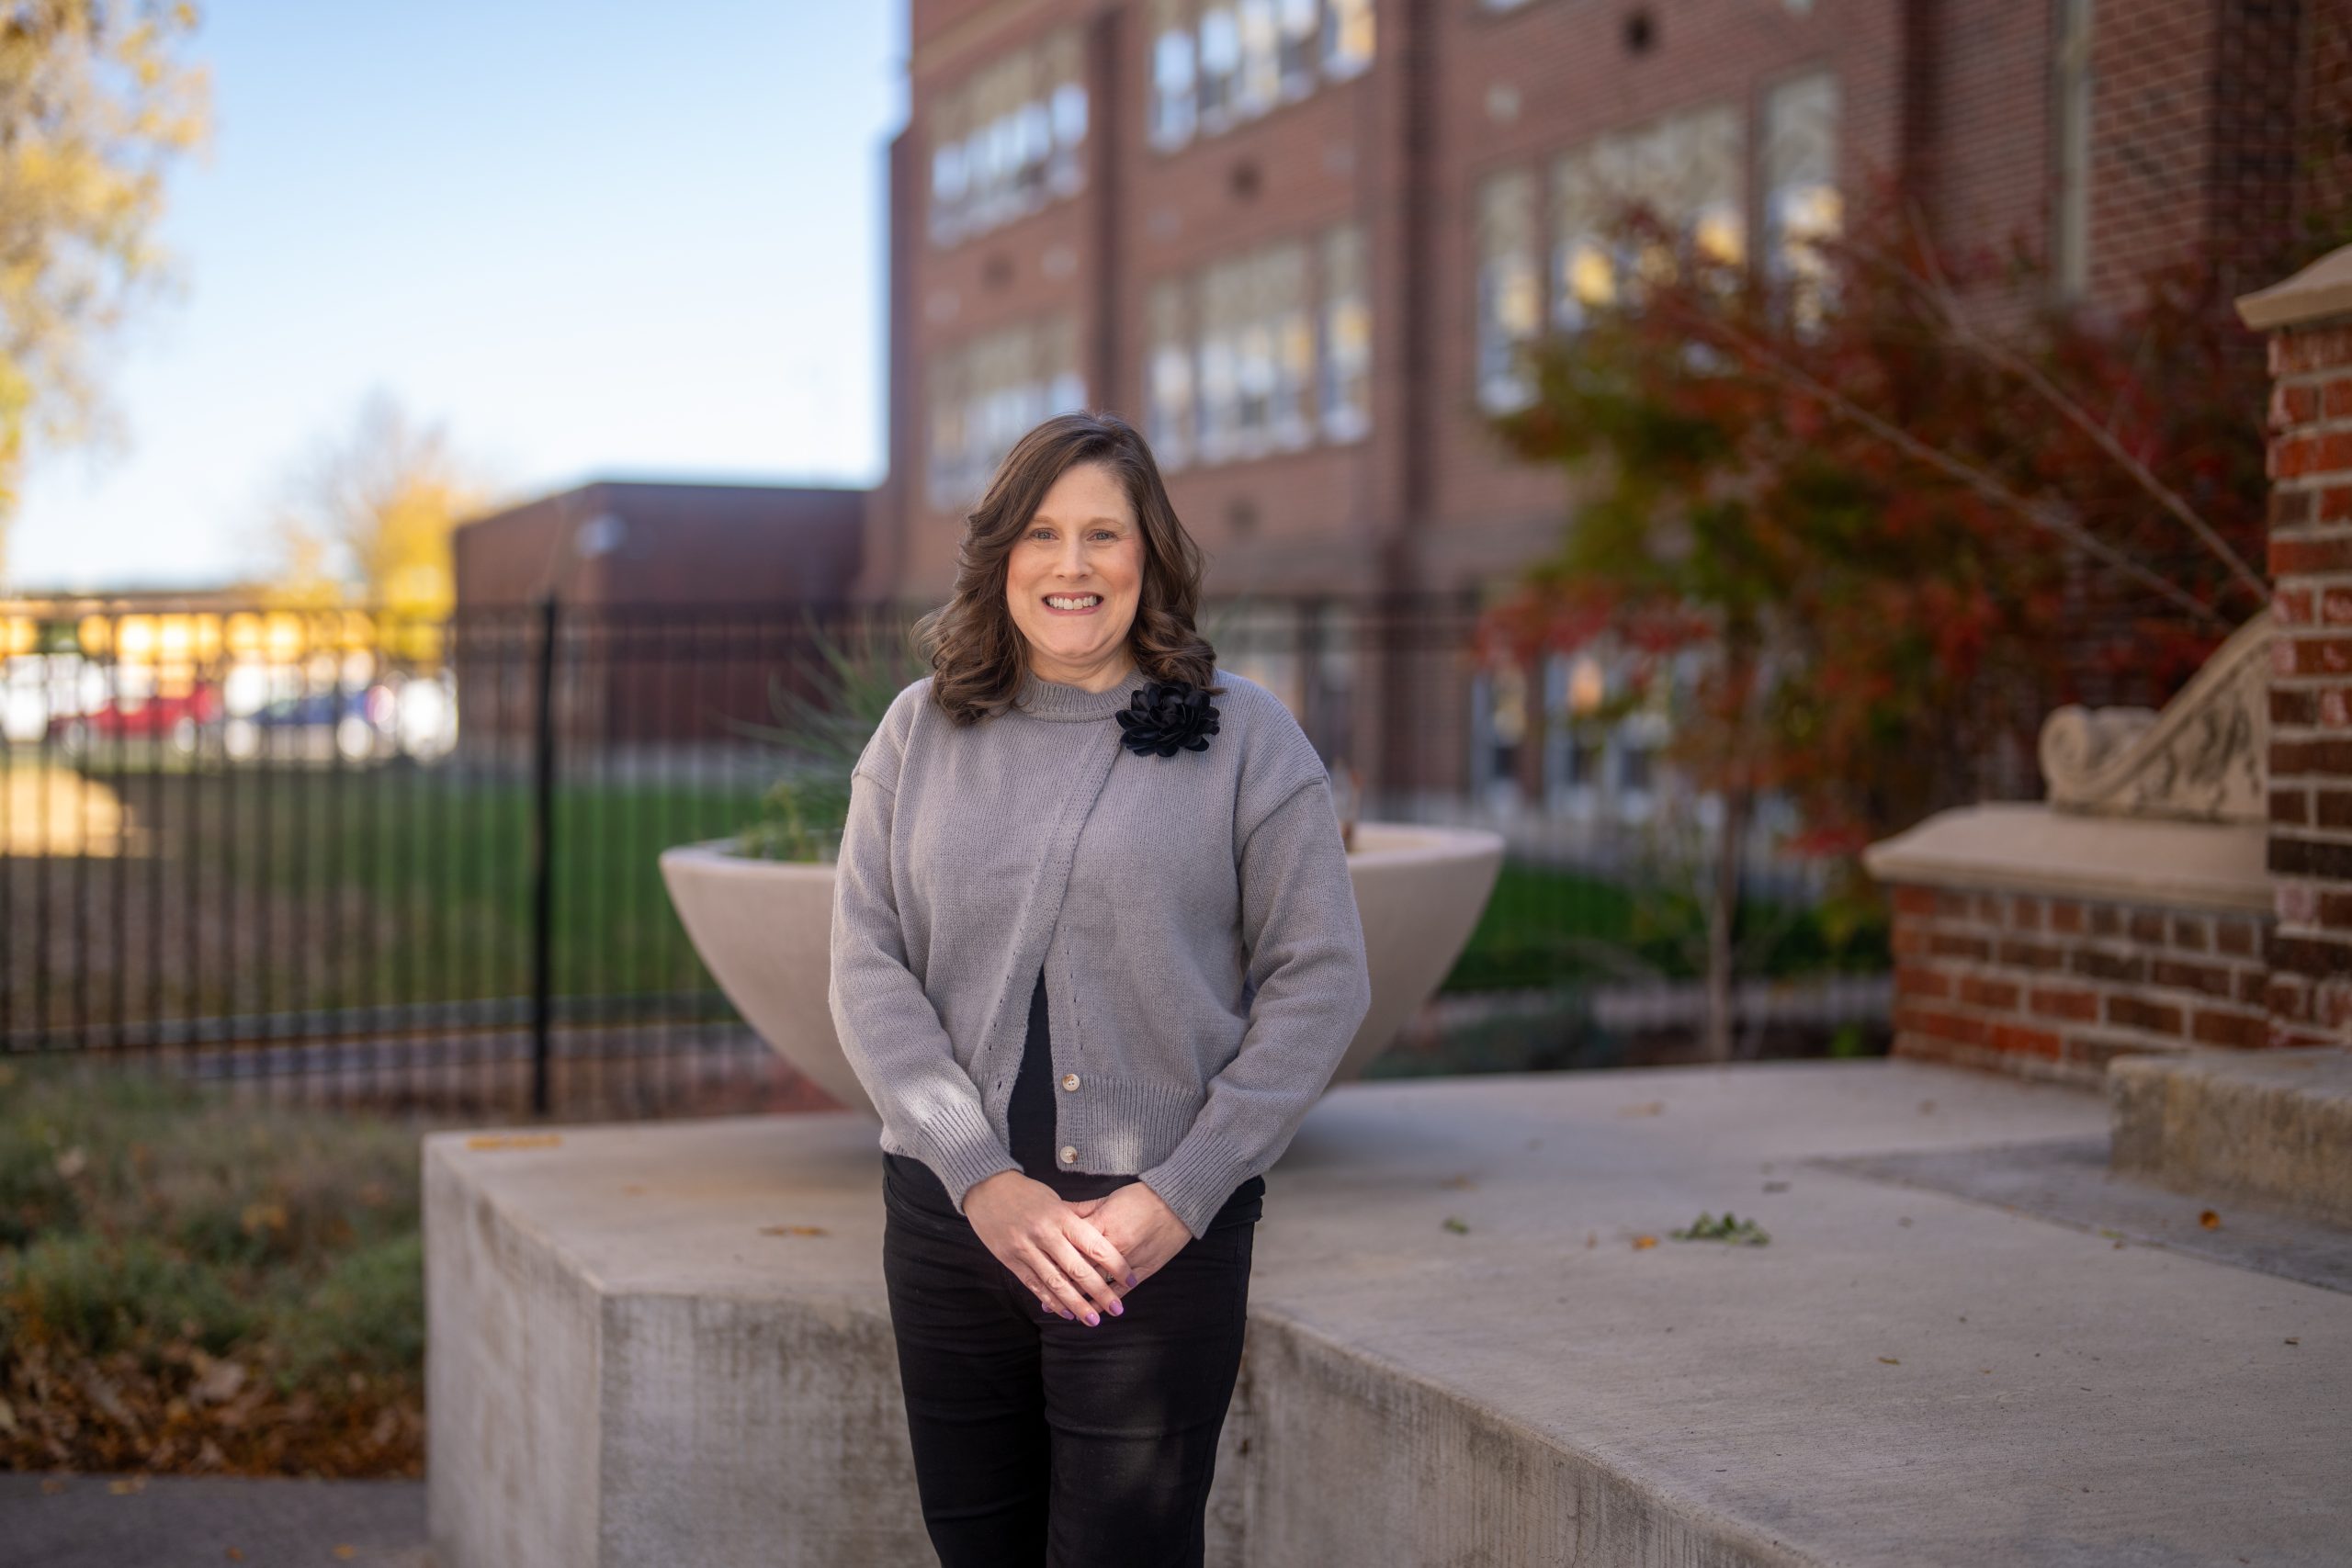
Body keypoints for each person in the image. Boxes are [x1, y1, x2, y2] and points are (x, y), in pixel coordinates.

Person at [828, 408, 1373, 1566]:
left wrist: (1179, 1195)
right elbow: (866, 963)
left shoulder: (1244, 738)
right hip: (948, 1223)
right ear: (1001, 558)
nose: (1070, 566)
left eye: (1103, 536)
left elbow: (1320, 980)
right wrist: (981, 1181)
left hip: (1149, 1240)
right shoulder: (918, 732)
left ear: (1149, 556)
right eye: (1041, 534)